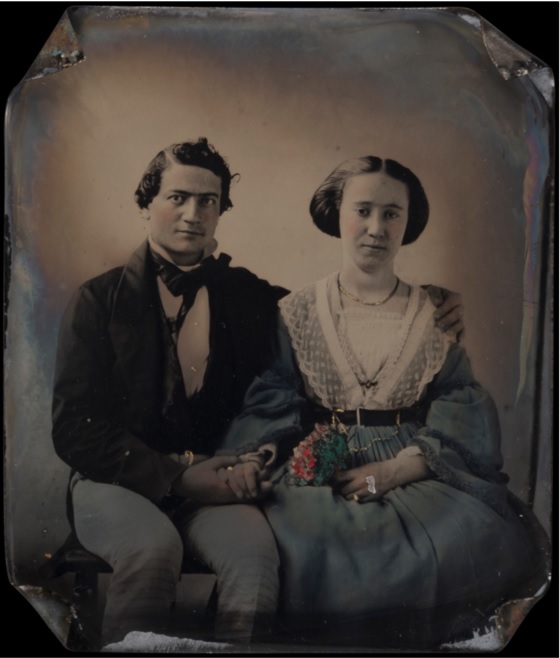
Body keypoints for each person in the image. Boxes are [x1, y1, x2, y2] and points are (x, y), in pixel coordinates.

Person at [51, 140, 464, 648]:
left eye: (209, 202)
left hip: (217, 480)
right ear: (146, 203)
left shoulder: (246, 294)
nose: (193, 214)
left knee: (255, 558)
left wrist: (430, 303)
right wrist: (177, 475)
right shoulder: (97, 300)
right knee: (152, 551)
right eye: (178, 198)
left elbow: (339, 312)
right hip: (116, 481)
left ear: (221, 211)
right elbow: (74, 429)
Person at [221, 155, 549, 648]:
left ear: (408, 222)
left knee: (464, 541)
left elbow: (460, 399)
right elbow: (274, 393)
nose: (376, 228)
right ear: (337, 213)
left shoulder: (435, 312)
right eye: (363, 210)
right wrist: (262, 453)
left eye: (392, 214)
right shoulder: (296, 311)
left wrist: (398, 471)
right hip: (319, 461)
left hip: (411, 462)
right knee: (314, 543)